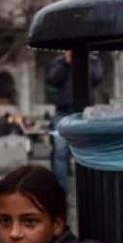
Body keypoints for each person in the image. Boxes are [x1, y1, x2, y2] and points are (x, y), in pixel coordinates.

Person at [45, 51, 104, 187]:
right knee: (60, 152)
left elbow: (97, 78)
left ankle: (89, 186)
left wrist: (85, 62)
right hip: (63, 112)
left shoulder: (93, 60)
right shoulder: (60, 61)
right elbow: (52, 79)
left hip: (85, 113)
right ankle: (61, 188)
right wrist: (66, 64)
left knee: (87, 151)